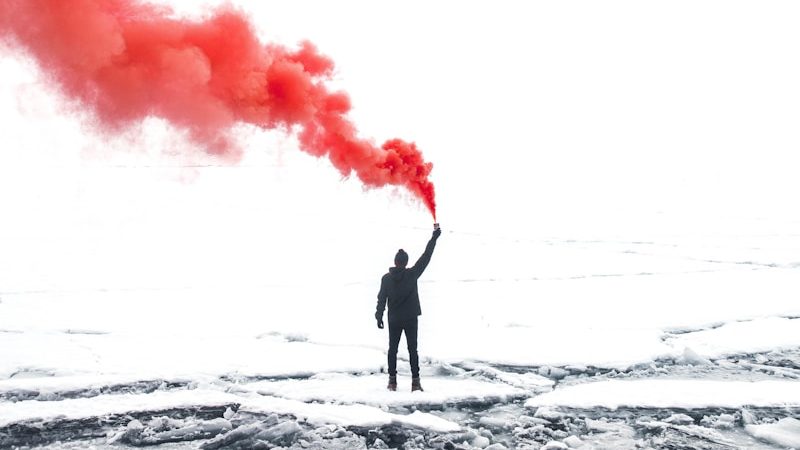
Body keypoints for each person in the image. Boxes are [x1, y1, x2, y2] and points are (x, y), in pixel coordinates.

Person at [375, 226, 441, 392]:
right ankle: (415, 383)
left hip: (394, 319)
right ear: (405, 262)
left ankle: (392, 382)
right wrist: (434, 238)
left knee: (393, 350)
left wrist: (379, 316)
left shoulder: (386, 279)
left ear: (395, 262)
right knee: (413, 350)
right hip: (411, 319)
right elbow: (426, 257)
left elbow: (381, 298)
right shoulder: (412, 274)